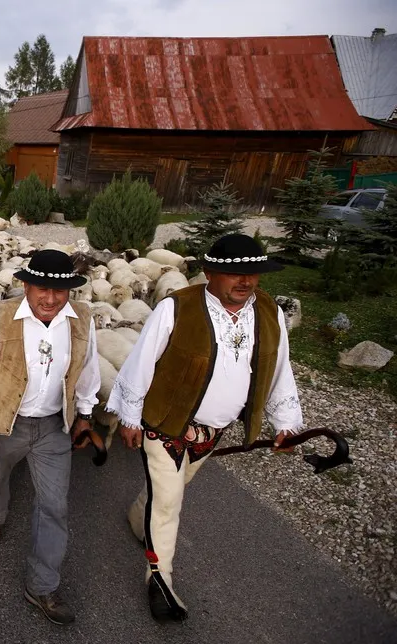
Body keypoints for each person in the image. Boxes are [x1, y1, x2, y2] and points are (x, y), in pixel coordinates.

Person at [105, 233, 303, 623]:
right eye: (233, 274)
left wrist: (286, 422)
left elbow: (279, 370)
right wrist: (129, 415)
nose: (244, 282)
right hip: (165, 424)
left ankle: (136, 516)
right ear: (210, 272)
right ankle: (160, 581)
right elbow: (142, 362)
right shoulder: (176, 308)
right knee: (169, 502)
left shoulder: (269, 312)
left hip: (212, 432)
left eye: (253, 274)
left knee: (170, 491)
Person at [0, 249, 100, 625]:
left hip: (54, 427)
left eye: (60, 291)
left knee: (54, 504)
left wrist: (85, 416)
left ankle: (42, 585)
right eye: (42, 288)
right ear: (26, 285)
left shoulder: (82, 321)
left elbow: (87, 372)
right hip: (8, 421)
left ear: (70, 290)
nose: (51, 299)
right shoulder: (2, 316)